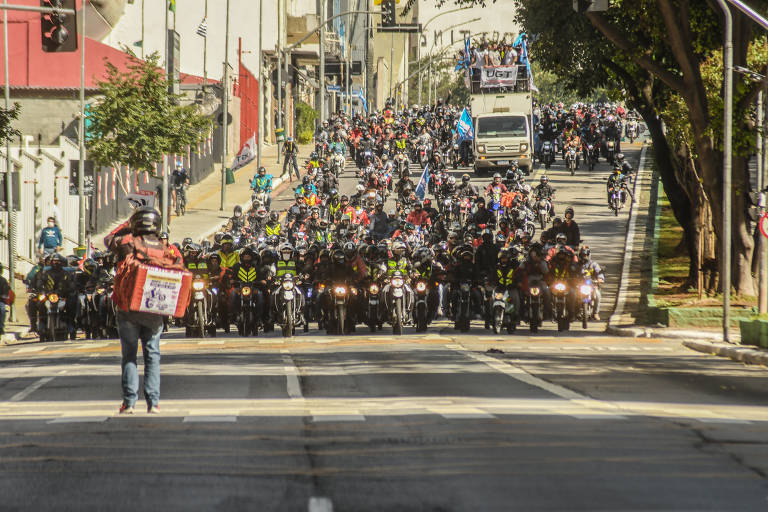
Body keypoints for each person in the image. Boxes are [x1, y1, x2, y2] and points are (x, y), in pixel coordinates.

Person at [105, 207, 182, 415]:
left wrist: (125, 226)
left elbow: (108, 239)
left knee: (129, 355)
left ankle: (129, 402)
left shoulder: (128, 243)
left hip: (128, 307)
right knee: (152, 355)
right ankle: (153, 403)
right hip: (154, 309)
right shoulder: (164, 248)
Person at [578, 246, 605, 320]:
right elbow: (572, 272)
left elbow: (599, 272)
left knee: (597, 295)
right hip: (578, 286)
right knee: (572, 294)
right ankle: (573, 313)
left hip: (591, 285)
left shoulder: (594, 264)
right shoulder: (576, 264)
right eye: (583, 255)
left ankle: (595, 313)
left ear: (589, 255)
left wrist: (600, 279)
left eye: (586, 255)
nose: (584, 257)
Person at [0, 263, 10, 334]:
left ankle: (1, 327)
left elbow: (6, 291)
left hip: (0, 300)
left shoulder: (3, 280)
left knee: (2, 310)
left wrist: (5, 296)